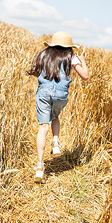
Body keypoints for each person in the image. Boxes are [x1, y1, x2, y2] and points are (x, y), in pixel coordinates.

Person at [27, 31, 89, 183]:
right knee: (55, 116)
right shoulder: (71, 57)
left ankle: (40, 167)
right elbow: (85, 76)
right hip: (61, 95)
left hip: (43, 92)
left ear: (53, 44)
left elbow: (35, 72)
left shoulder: (44, 54)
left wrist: (45, 78)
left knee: (43, 128)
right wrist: (83, 60)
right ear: (69, 46)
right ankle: (55, 142)